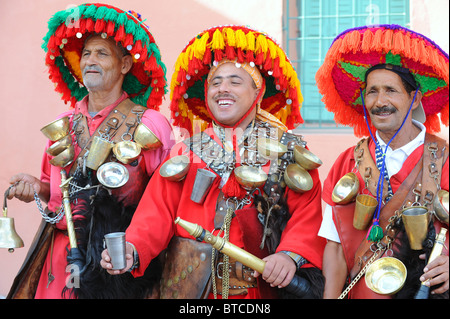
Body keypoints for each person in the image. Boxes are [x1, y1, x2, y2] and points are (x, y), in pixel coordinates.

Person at [101, 25, 327, 299]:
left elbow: (308, 215)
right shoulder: (186, 150)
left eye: (235, 81)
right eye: (216, 82)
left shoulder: (286, 151)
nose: (223, 89)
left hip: (261, 291)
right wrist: (133, 248)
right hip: (190, 290)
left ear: (258, 91)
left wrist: (290, 256)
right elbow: (155, 213)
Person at [6, 4, 173, 299]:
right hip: (60, 260)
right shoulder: (63, 127)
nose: (90, 60)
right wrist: (39, 187)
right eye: (86, 53)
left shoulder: (150, 124)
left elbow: (165, 199)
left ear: (124, 65)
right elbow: (57, 193)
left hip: (118, 263)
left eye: (101, 53)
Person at [315, 24, 449, 299]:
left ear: (415, 99)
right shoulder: (347, 161)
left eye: (391, 90)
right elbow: (335, 246)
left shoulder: (445, 159)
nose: (380, 101)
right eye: (372, 91)